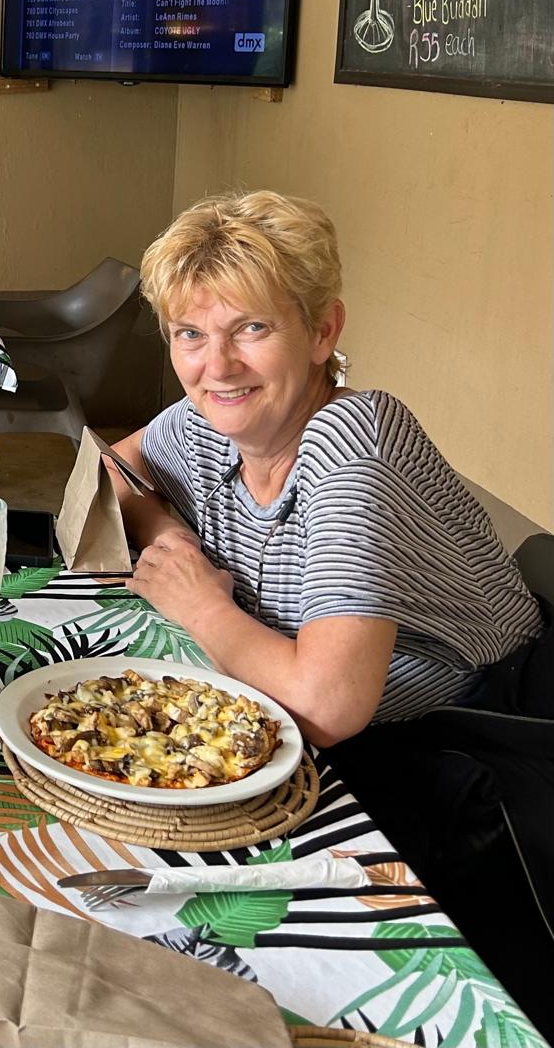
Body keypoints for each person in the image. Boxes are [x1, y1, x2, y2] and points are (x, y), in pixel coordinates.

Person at [108, 189, 552, 1028]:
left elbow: (326, 703)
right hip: (351, 741)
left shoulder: (355, 439)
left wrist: (202, 604)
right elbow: (116, 470)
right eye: (190, 334)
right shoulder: (215, 422)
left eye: (253, 329)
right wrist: (175, 536)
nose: (218, 365)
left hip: (482, 756)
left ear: (323, 332)